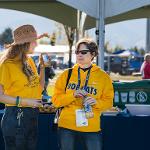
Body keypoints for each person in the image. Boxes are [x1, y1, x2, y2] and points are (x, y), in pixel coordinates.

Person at [52, 38, 114, 150]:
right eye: (77, 52)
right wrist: (72, 95)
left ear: (92, 54)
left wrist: (96, 102)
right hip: (67, 126)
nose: (79, 55)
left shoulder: (103, 77)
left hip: (91, 126)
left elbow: (109, 102)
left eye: (83, 52)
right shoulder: (66, 74)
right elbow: (56, 101)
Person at [0, 24, 45, 150]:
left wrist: (42, 68)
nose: (36, 45)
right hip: (15, 116)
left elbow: (39, 88)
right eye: (34, 42)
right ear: (25, 43)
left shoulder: (29, 61)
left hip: (32, 115)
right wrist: (25, 101)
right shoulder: (7, 64)